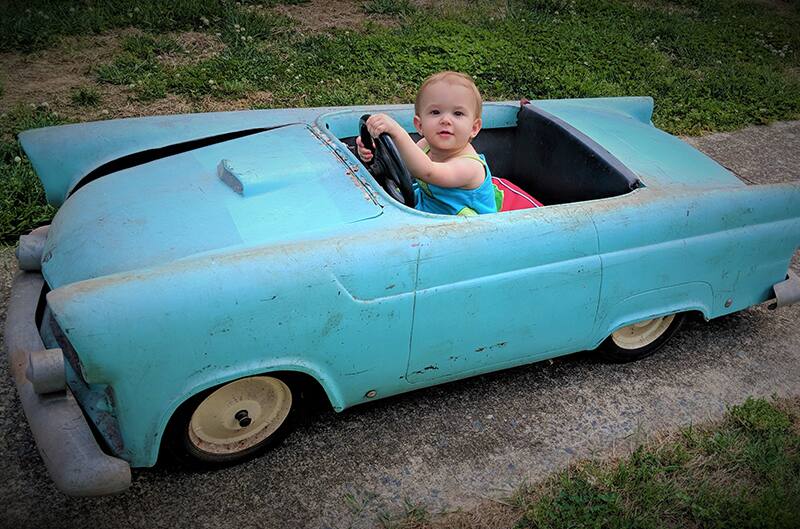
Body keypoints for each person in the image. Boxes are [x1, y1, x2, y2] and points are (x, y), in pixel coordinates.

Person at [356, 71, 497, 216]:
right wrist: (374, 152)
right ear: (420, 125)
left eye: (458, 114)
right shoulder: (426, 145)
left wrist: (397, 132)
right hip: (428, 210)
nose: (446, 120)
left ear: (474, 128)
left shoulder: (470, 167)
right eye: (435, 112)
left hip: (464, 230)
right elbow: (405, 163)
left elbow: (428, 171)